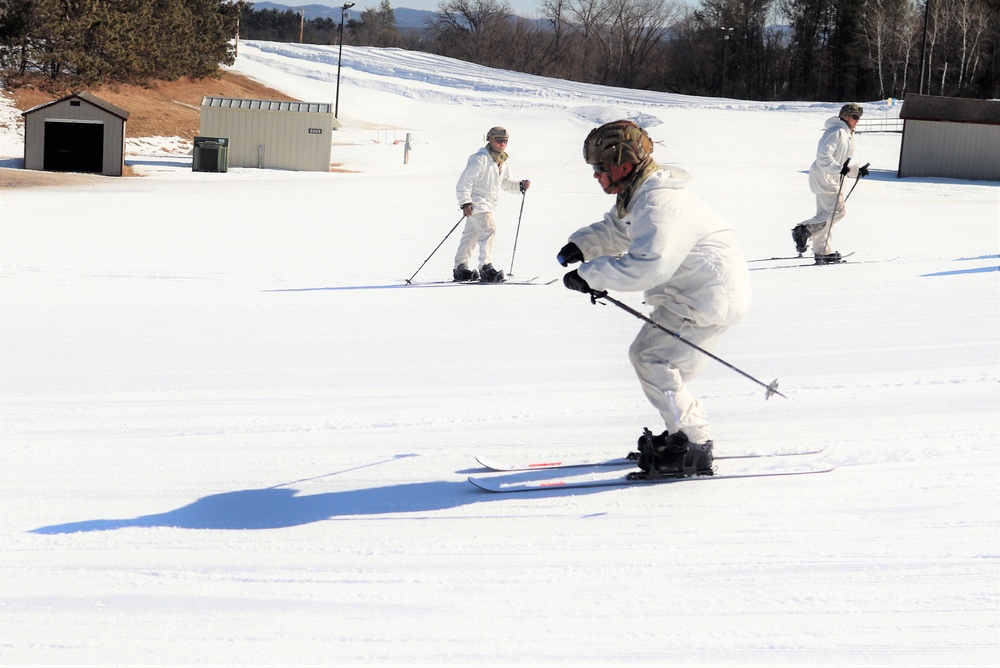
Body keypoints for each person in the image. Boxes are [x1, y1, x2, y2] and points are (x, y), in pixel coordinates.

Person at [557, 120, 752, 478]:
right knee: (655, 361)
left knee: (651, 358)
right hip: (697, 294)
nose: (596, 175)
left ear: (625, 165)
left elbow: (649, 264)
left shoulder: (660, 203)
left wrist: (589, 275)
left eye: (601, 167)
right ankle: (684, 435)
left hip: (703, 298)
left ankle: (692, 445)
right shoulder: (642, 195)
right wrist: (583, 245)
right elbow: (621, 229)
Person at [792, 103, 870, 264]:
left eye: (859, 118)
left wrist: (855, 171)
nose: (858, 121)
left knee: (826, 214)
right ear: (846, 116)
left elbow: (842, 162)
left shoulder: (845, 133)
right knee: (838, 211)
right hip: (825, 177)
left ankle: (822, 251)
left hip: (827, 176)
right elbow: (823, 157)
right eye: (855, 117)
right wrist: (838, 168)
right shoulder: (836, 132)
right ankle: (803, 229)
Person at [453, 126, 531, 283]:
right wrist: (465, 202)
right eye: (499, 140)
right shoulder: (480, 159)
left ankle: (461, 268)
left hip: (488, 204)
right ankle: (486, 267)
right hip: (477, 203)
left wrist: (519, 186)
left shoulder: (502, 161)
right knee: (489, 229)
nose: (502, 144)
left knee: (471, 235)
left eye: (505, 141)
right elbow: (464, 183)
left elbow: (506, 182)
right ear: (490, 139)